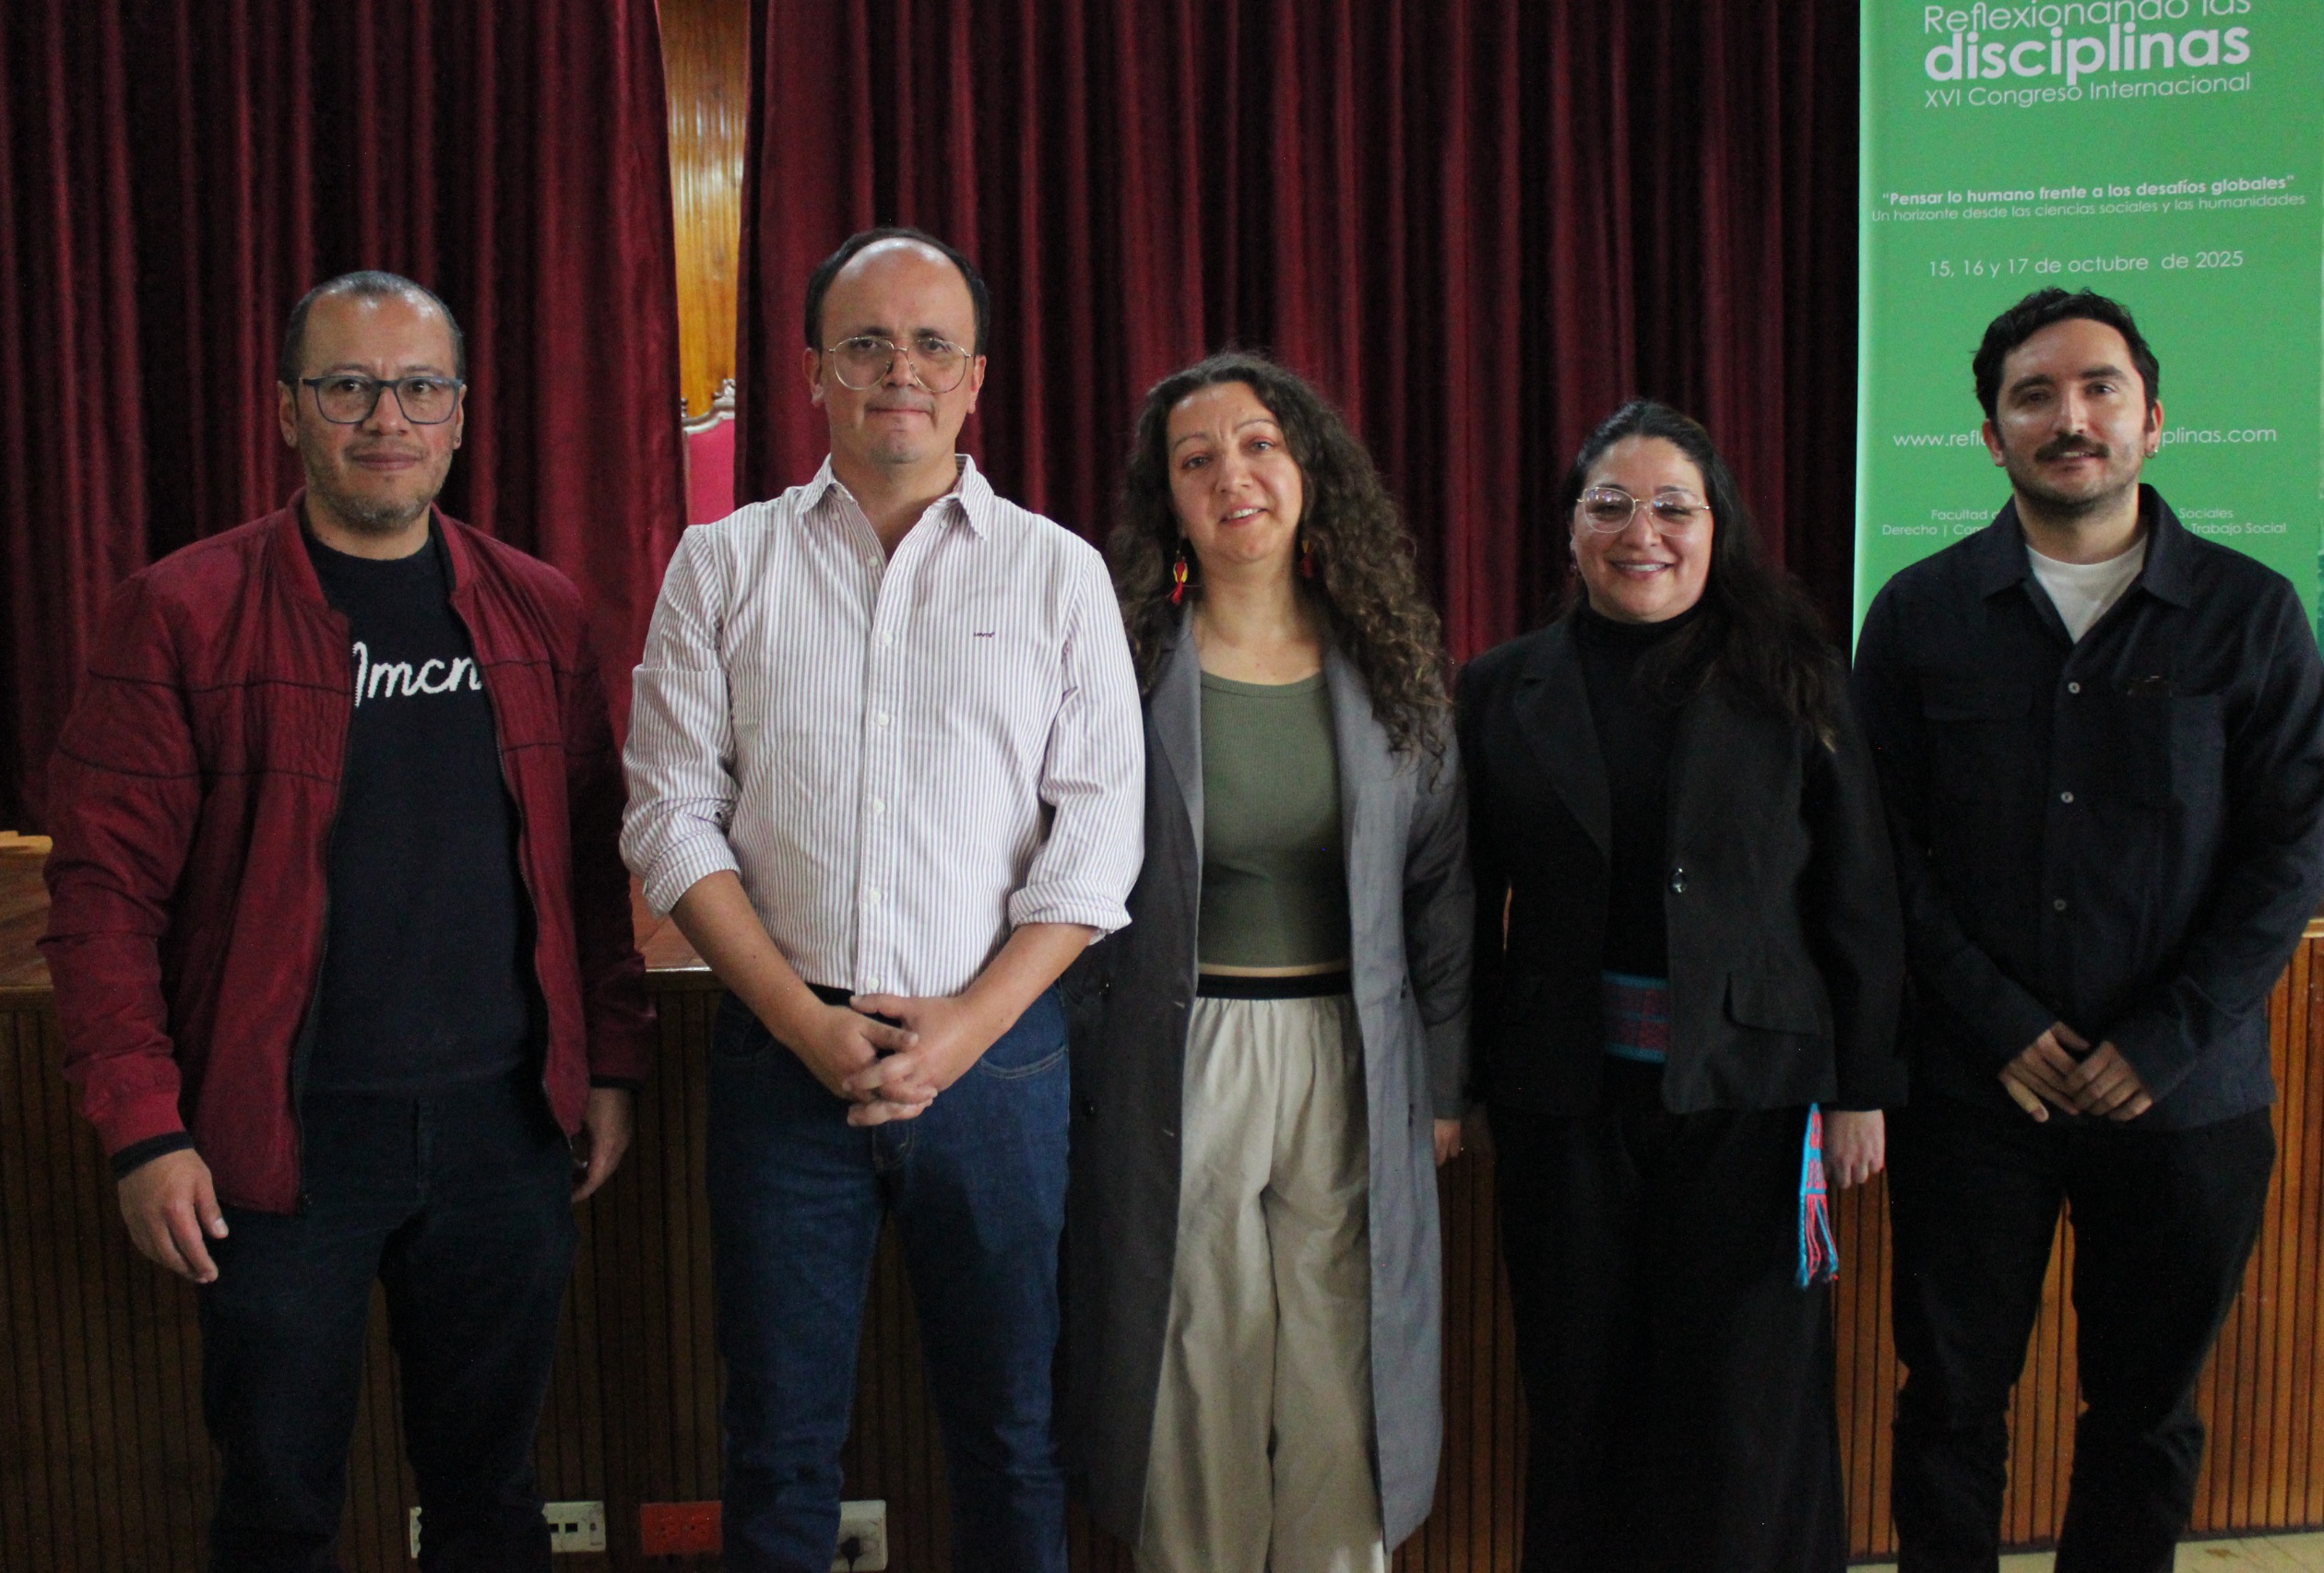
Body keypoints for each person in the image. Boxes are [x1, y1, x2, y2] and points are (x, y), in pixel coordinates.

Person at [40, 270, 653, 1572]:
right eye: (348, 386)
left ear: (463, 415)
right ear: (287, 410)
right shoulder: (181, 614)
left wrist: (606, 1059)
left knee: (491, 1498)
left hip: (505, 1136)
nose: (387, 417)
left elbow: (593, 869)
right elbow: (101, 899)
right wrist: (144, 1129)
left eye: (419, 386)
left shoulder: (537, 609)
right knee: (277, 1505)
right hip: (277, 1143)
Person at [622, 227, 1144, 1572]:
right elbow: (669, 816)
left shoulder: (1056, 570)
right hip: (785, 1060)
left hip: (1002, 1061)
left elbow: (1096, 841)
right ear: (811, 374)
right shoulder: (721, 564)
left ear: (976, 378)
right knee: (779, 1443)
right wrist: (802, 1020)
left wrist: (966, 1029)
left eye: (929, 344)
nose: (897, 369)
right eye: (865, 343)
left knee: (1011, 1432)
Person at [1854, 288, 2324, 1572]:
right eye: (2033, 396)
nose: (2069, 419)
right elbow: (1880, 849)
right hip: (1973, 1094)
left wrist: (2165, 1038)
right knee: (1951, 1403)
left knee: (2143, 1415)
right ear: (1991, 435)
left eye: (2098, 388)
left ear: (2153, 418)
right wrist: (2003, 1024)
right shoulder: (1917, 614)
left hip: (2186, 1107)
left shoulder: (2250, 614)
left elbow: (2289, 850)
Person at [1457, 398, 1903, 1571]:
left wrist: (1861, 1085)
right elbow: (1461, 907)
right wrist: (1455, 1085)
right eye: (1609, 505)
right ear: (1569, 531)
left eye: (1672, 506)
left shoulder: (1794, 677)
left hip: (1755, 1099)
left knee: (1745, 1407)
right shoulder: (1501, 689)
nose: (1640, 530)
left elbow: (1857, 893)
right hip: (1565, 1101)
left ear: (1718, 528)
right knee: (1581, 1388)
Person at [1063, 351, 1472, 1573]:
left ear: (1309, 471)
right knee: (1196, 1353)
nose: (1232, 474)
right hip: (1179, 1054)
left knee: (1345, 1358)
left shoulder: (1393, 668)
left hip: (1355, 1051)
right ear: (1168, 500)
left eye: (1259, 444)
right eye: (1197, 459)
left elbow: (1442, 887)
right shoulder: (1120, 667)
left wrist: (1443, 1087)